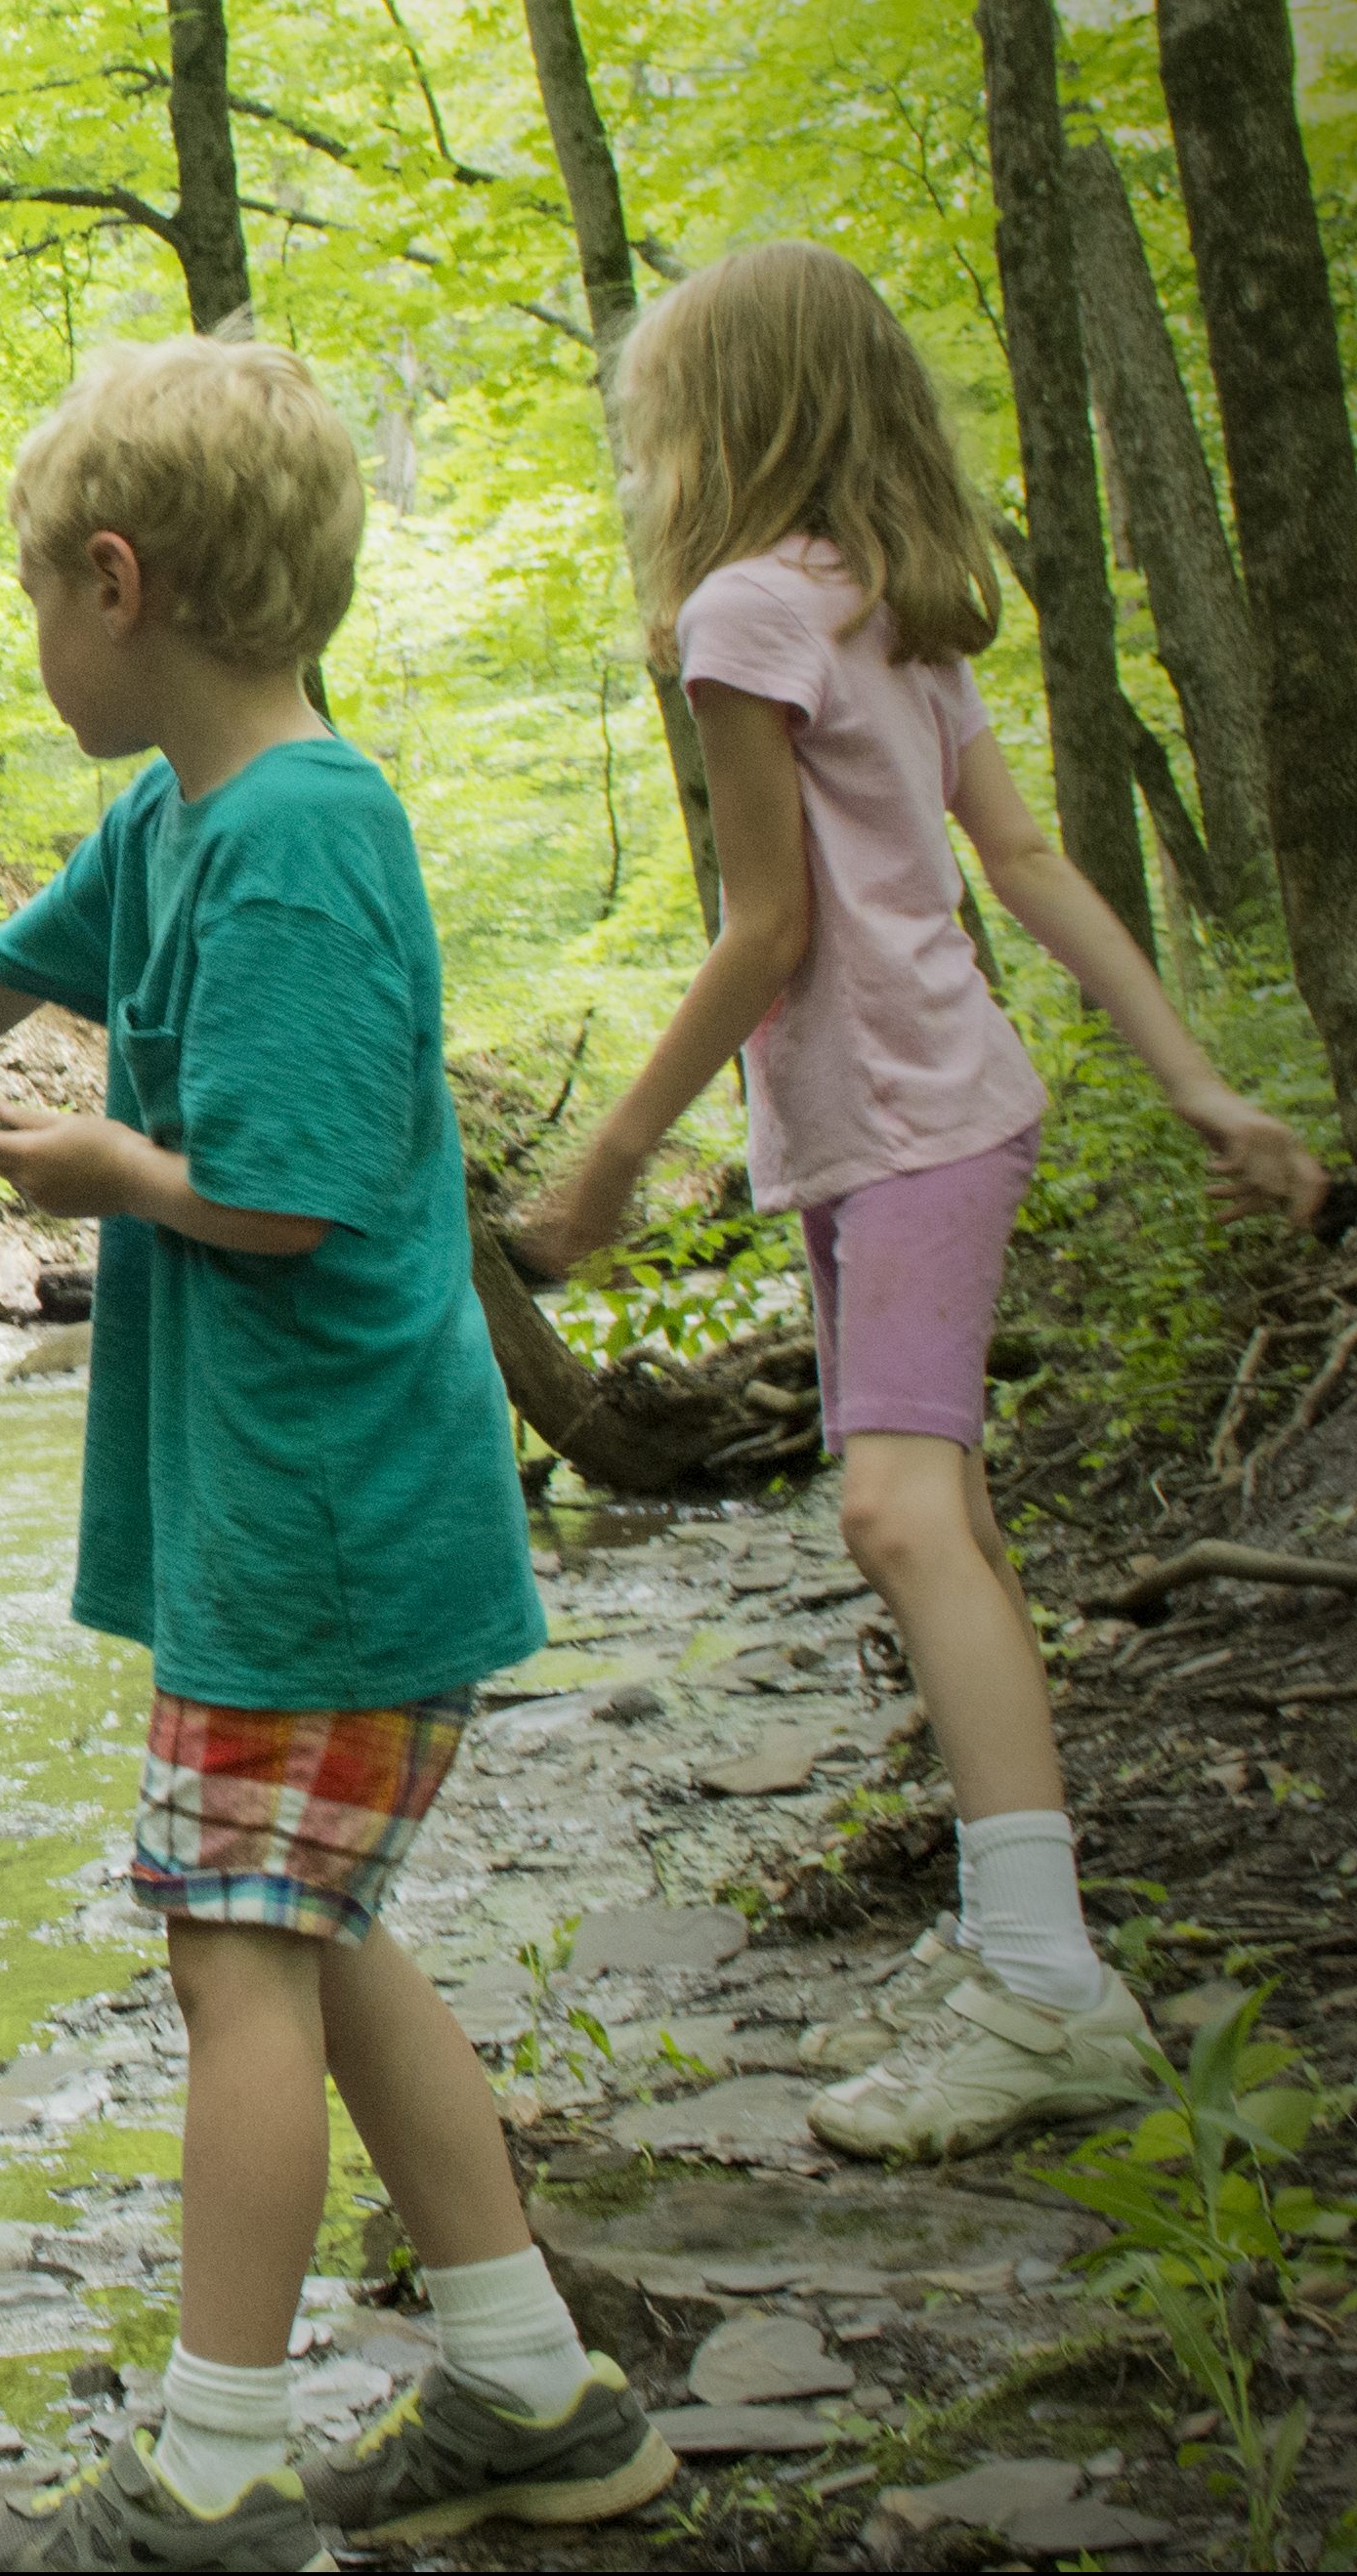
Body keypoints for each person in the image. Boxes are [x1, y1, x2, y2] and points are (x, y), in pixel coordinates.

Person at [0, 336, 674, 2572]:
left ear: (118, 580)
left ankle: (215, 2468)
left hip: (333, 1516)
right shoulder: (165, 822)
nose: (29, 628)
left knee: (236, 1952)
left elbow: (285, 1195)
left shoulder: (300, 838)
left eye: (29, 593)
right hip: (286, 1517)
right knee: (318, 1923)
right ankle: (529, 2390)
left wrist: (117, 1179)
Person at [514, 240, 1331, 2162]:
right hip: (916, 1115)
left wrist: (613, 1157)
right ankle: (1011, 1931)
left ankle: (1047, 1992)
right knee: (939, 1515)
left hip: (900, 1120)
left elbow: (771, 927)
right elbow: (1028, 866)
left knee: (897, 1515)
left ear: (721, 422)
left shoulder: (747, 616)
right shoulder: (887, 616)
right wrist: (1194, 1083)